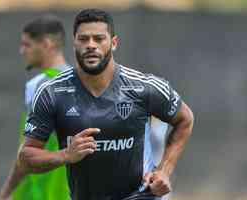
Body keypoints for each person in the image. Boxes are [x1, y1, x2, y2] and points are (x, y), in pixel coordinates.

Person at [13, 9, 194, 200]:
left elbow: (185, 119)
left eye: (99, 39)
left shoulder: (144, 87)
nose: (91, 45)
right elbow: (25, 158)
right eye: (83, 39)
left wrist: (164, 170)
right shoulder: (51, 92)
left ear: (114, 43)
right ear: (74, 43)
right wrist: (66, 155)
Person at [0, 15, 69, 200]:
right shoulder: (80, 83)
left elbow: (26, 151)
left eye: (27, 44)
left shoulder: (39, 86)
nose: (22, 51)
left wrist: (6, 192)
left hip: (39, 192)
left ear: (46, 44)